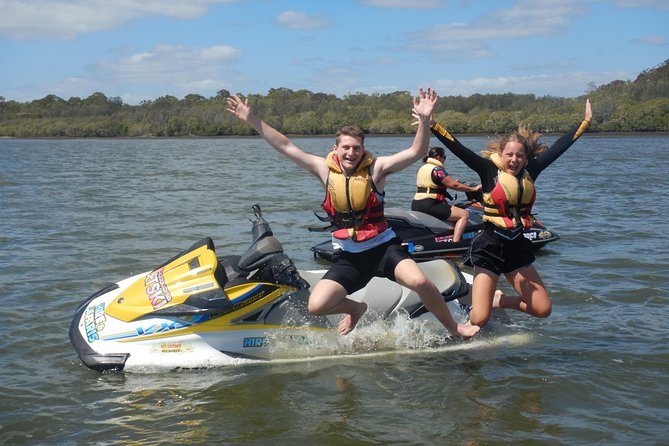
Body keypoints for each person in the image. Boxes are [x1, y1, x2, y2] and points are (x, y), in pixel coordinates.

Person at [226, 88, 479, 339]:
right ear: (335, 148)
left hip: (384, 249)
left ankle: (454, 327)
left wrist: (424, 121)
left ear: (363, 149)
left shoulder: (377, 169)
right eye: (345, 148)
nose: (351, 153)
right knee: (317, 304)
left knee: (420, 281)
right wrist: (252, 120)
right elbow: (284, 145)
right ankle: (356, 308)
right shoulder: (323, 170)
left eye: (356, 148)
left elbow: (416, 152)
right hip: (350, 256)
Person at [430, 99, 593, 327]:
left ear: (525, 158)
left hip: (516, 246)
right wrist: (432, 123)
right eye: (509, 155)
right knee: (479, 318)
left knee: (542, 309)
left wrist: (584, 122)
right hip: (490, 247)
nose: (514, 160)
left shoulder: (531, 171)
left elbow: (559, 147)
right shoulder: (487, 169)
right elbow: (458, 148)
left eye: (519, 155)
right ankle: (477, 304)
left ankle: (500, 299)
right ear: (501, 154)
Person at [411, 146, 482, 242]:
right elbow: (454, 185)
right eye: (444, 157)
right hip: (430, 204)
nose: (444, 159)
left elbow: (432, 185)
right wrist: (473, 189)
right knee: (464, 215)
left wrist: (453, 184)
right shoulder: (437, 170)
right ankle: (455, 243)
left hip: (416, 203)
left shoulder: (423, 168)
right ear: (438, 157)